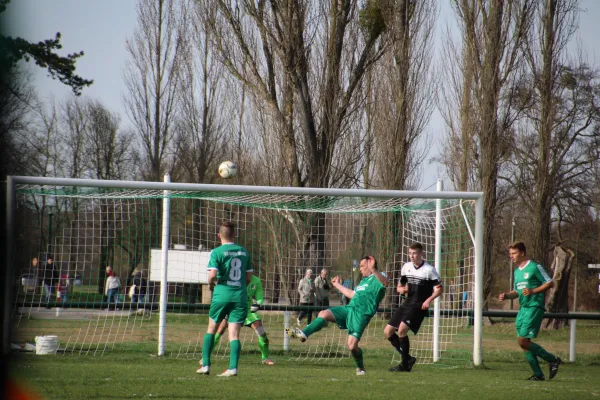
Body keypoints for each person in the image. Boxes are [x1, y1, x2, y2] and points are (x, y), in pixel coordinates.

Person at [287, 256, 388, 376]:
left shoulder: (380, 275)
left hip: (361, 314)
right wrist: (337, 285)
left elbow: (385, 283)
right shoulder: (363, 281)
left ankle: (360, 368)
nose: (360, 269)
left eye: (362, 266)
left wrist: (374, 270)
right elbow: (352, 294)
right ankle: (304, 334)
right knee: (323, 313)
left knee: (352, 346)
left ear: (370, 265)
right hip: (349, 309)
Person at [196, 221, 254, 377]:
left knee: (211, 328)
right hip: (240, 295)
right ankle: (233, 368)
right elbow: (249, 277)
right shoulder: (244, 252)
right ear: (235, 235)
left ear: (218, 235)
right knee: (234, 334)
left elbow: (213, 274)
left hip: (222, 294)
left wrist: (210, 285)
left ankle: (206, 365)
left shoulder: (216, 252)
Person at [498, 241, 562, 381]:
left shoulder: (534, 267)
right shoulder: (517, 272)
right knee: (524, 343)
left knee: (523, 341)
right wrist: (507, 296)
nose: (511, 256)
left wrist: (533, 291)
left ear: (522, 252)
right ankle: (538, 374)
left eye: (514, 253)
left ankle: (552, 359)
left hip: (534, 306)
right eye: (510, 254)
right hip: (523, 309)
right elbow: (517, 291)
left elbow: (550, 282)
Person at [384, 243, 443, 372]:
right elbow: (400, 286)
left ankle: (405, 364)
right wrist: (401, 289)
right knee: (388, 332)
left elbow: (439, 289)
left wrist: (428, 300)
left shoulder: (429, 270)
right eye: (410, 253)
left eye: (414, 253)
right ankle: (408, 359)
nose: (412, 256)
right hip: (407, 303)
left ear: (421, 254)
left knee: (401, 330)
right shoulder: (406, 267)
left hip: (419, 305)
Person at [209, 275, 275, 366]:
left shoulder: (256, 281)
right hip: (233, 309)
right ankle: (206, 356)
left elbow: (259, 297)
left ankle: (265, 358)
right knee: (220, 328)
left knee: (261, 332)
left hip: (247, 311)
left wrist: (258, 304)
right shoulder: (233, 278)